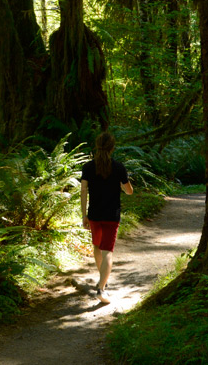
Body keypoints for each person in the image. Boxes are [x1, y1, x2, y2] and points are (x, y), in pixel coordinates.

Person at [79, 130, 133, 304]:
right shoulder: (118, 167)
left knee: (97, 246)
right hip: (111, 215)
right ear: (112, 147)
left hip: (94, 214)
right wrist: (122, 184)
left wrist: (84, 215)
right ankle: (101, 289)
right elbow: (129, 191)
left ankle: (103, 279)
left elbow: (83, 190)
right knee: (107, 251)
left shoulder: (88, 167)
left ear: (97, 146)